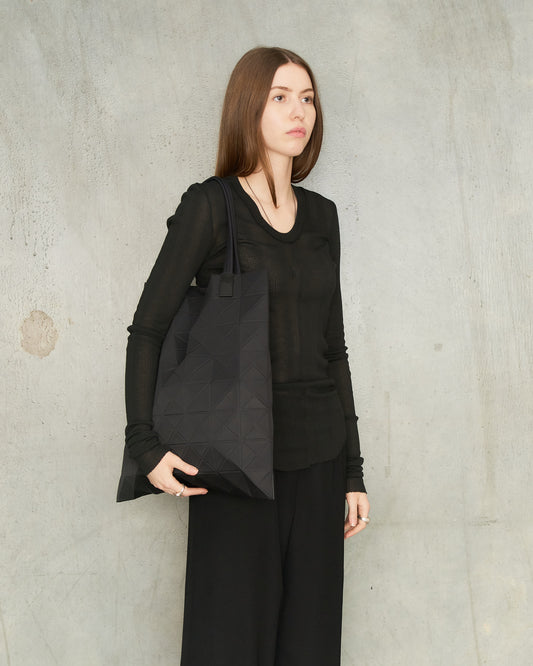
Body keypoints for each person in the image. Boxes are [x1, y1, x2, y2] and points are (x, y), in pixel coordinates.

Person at [124, 46, 370, 666]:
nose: (299, 112)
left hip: (319, 462)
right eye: (280, 98)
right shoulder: (211, 206)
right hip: (237, 465)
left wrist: (353, 472)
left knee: (310, 649)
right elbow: (148, 328)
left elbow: (333, 348)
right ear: (247, 108)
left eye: (307, 98)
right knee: (229, 646)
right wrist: (144, 446)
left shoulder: (323, 218)